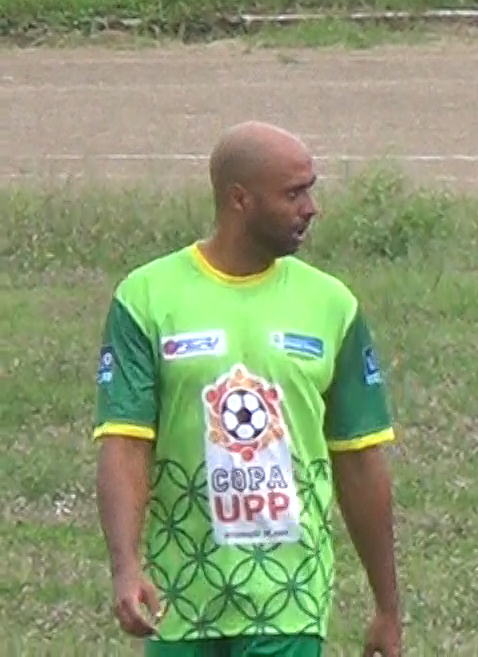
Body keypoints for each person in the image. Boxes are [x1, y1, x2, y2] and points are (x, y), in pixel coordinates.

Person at [92, 122, 402, 657]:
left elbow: (360, 457)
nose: (312, 207)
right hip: (181, 597)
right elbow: (125, 443)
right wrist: (126, 566)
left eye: (311, 188)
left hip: (289, 597)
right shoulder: (146, 297)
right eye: (293, 193)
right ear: (240, 200)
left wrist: (388, 606)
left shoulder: (333, 306)